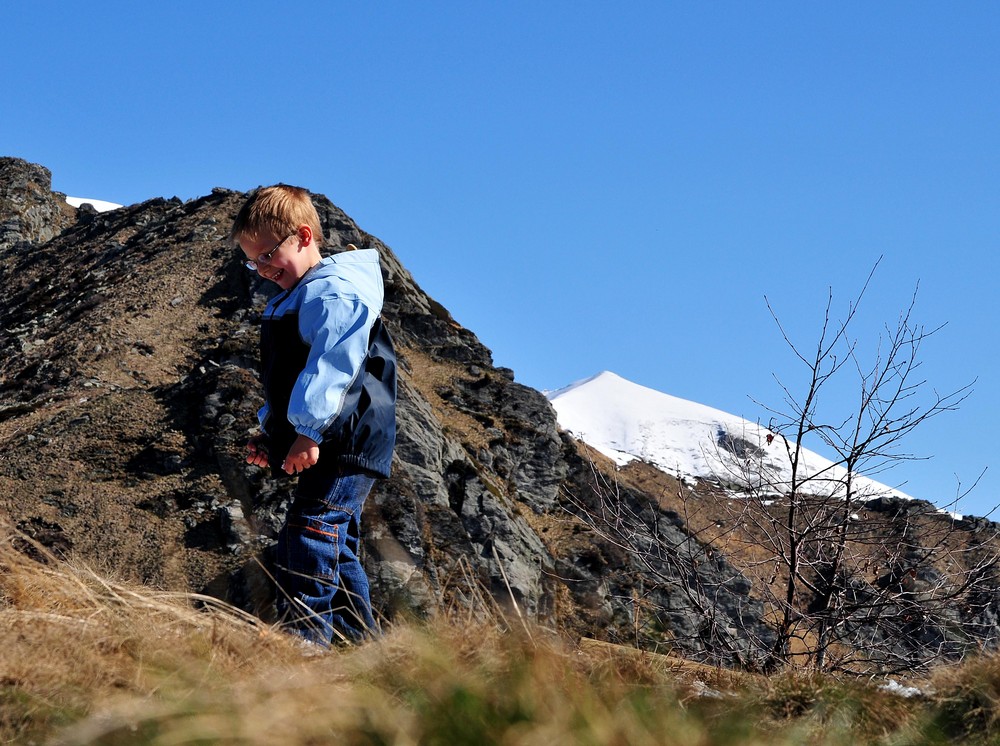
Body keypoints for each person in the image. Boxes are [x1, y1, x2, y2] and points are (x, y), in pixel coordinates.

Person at [230, 184, 396, 646]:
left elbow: (332, 370)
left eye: (267, 256)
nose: (263, 270)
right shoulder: (299, 296)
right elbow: (289, 380)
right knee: (335, 545)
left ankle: (307, 640)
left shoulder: (333, 295)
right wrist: (276, 435)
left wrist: (308, 431)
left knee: (310, 532)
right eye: (254, 262)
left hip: (344, 440)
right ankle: (358, 646)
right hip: (330, 438)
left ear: (303, 236)